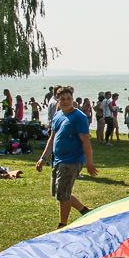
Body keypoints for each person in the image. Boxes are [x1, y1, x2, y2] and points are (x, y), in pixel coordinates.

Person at [36, 86, 98, 228]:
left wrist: (89, 162)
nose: (66, 101)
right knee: (59, 193)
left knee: (62, 194)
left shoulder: (79, 117)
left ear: (72, 99)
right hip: (57, 160)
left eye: (69, 98)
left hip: (72, 161)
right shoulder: (58, 115)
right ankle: (84, 210)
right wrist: (42, 158)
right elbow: (52, 138)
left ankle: (62, 225)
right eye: (62, 99)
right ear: (57, 100)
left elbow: (86, 141)